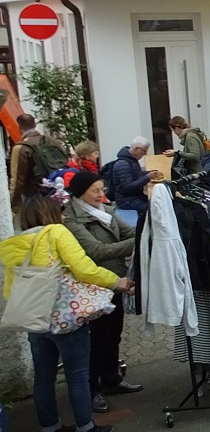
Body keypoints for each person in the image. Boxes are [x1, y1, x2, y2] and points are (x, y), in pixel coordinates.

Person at [0, 194, 134, 432]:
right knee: (77, 374)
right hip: (65, 317)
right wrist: (118, 282)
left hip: (34, 318)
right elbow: (84, 268)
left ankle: (51, 429)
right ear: (49, 214)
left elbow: (10, 289)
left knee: (43, 376)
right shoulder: (55, 233)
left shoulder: (13, 243)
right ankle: (86, 428)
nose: (63, 216)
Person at [62, 171, 142, 414]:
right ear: (80, 192)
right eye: (95, 191)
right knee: (96, 339)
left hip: (116, 282)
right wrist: (141, 239)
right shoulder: (71, 219)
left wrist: (143, 232)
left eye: (102, 189)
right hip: (92, 286)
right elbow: (96, 251)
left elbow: (129, 232)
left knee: (113, 334)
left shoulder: (105, 211)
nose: (101, 194)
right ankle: (92, 388)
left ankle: (111, 379)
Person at [9, 113, 68, 211]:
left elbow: (17, 180)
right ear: (35, 124)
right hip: (58, 191)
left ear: (19, 127)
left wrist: (13, 203)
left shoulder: (21, 148)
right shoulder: (52, 141)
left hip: (34, 196)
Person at [113, 137, 163, 215]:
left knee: (159, 202)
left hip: (135, 197)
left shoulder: (131, 160)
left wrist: (150, 173)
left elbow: (136, 174)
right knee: (155, 210)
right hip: (126, 200)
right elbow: (128, 187)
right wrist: (147, 177)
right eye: (144, 151)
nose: (145, 154)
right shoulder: (123, 164)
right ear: (137, 149)